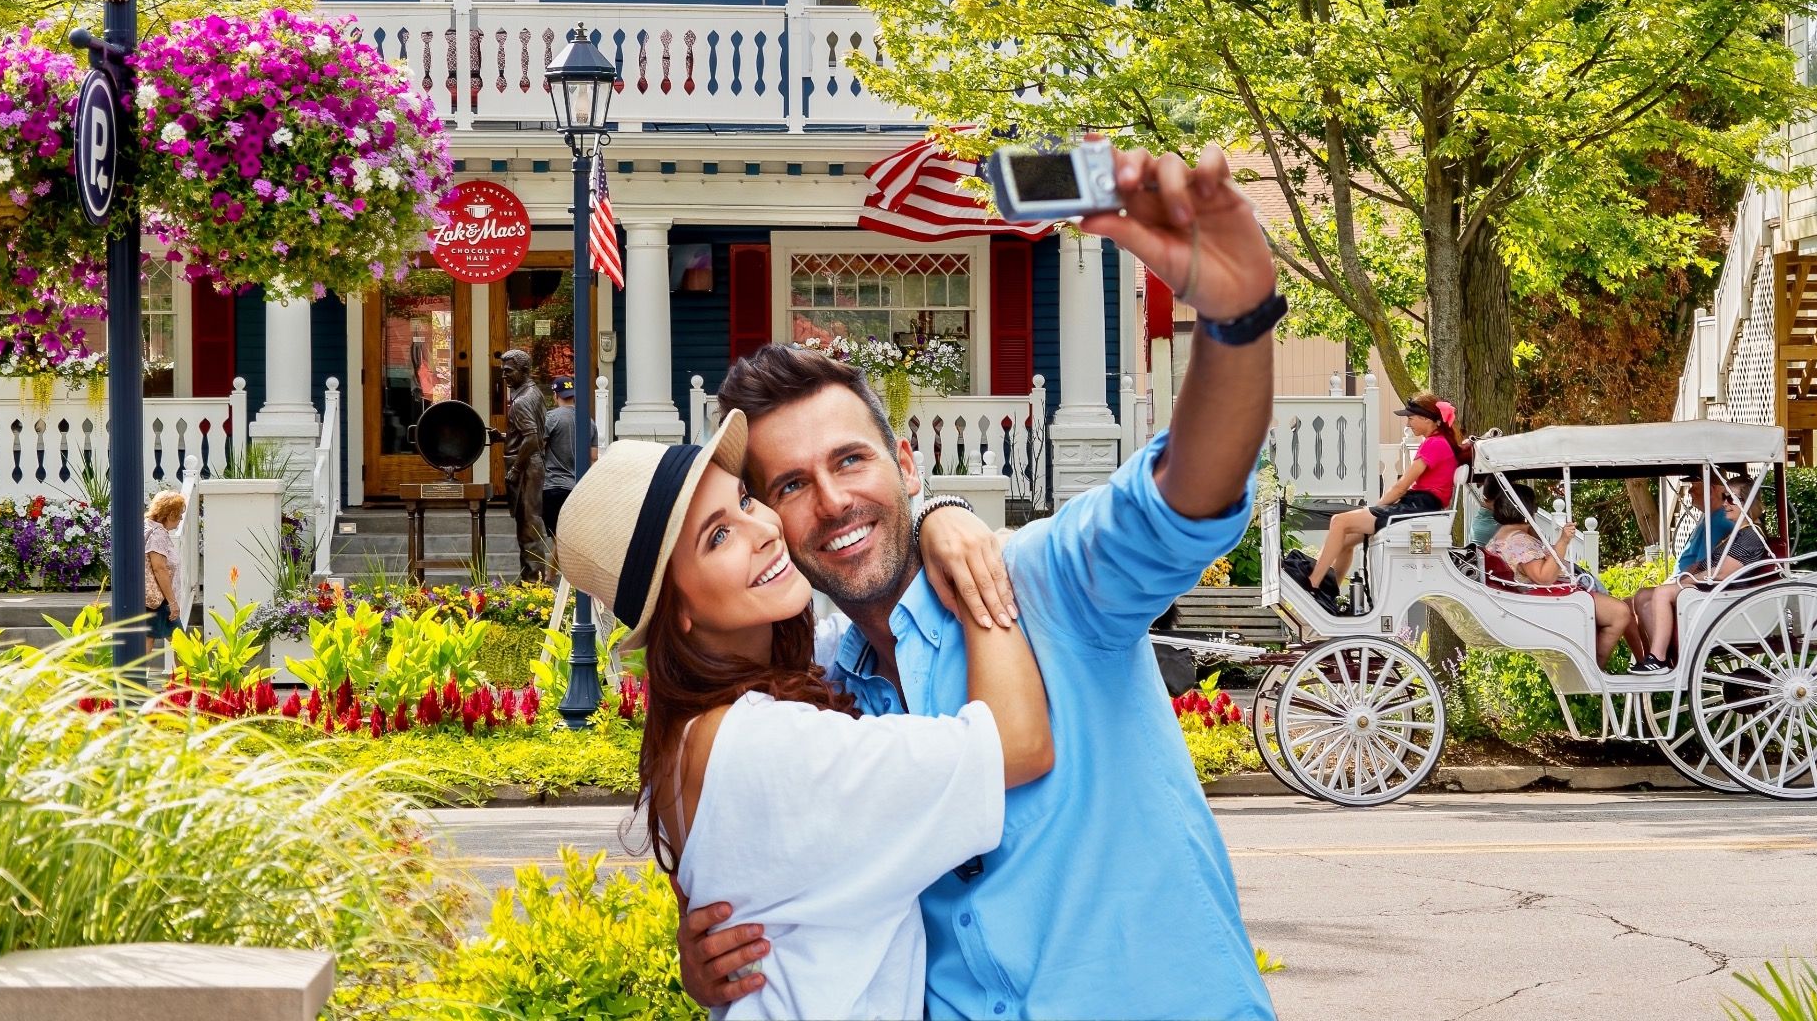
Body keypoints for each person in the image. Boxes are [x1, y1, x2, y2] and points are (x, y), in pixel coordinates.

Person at [687, 143, 1281, 1019]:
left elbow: (1185, 494)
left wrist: (1238, 324)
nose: (833, 501)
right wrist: (715, 954)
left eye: (851, 460)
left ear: (908, 463)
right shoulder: (812, 695)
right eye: (790, 484)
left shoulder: (1044, 583)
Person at [553, 411, 1045, 1018]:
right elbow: (1017, 744)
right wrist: (975, 560)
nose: (761, 530)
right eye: (717, 537)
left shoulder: (693, 731)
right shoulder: (768, 748)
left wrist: (935, 511)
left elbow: (862, 628)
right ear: (678, 609)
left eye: (744, 501)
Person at [1293, 392, 1465, 613]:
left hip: (1417, 507)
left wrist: (1378, 507)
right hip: (1419, 506)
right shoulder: (1438, 442)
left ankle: (1313, 584)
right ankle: (1329, 591)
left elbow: (1401, 486)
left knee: (1339, 521)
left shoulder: (1434, 444)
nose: (1408, 421)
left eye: (1412, 417)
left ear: (1428, 419)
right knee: (1344, 539)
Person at [1482, 475, 1636, 669]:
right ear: (1526, 510)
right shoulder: (1519, 541)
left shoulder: (1503, 537)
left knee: (1628, 606)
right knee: (1620, 612)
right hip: (1546, 600)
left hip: (1537, 599)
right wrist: (1563, 540)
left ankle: (1631, 662)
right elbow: (1544, 577)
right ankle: (1595, 670)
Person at [1630, 472, 1775, 673]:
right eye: (1724, 497)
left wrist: (1689, 579)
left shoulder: (1751, 535)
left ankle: (1659, 659)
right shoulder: (1737, 532)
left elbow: (1722, 573)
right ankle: (1663, 657)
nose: (1725, 503)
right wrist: (1688, 574)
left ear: (1746, 502)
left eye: (1730, 498)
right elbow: (1708, 564)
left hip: (1727, 596)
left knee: (1663, 593)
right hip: (1715, 591)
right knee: (1645, 594)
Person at [500, 349, 548, 581]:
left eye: (508, 371)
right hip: (533, 464)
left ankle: (533, 582)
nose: (504, 376)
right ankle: (531, 578)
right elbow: (530, 434)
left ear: (524, 371)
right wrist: (505, 436)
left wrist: (515, 469)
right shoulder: (534, 393)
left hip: (526, 468)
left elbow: (531, 437)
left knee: (529, 526)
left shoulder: (521, 401)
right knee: (531, 523)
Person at [143, 490, 186, 654]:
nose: (181, 518)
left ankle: (135, 678)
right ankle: (184, 679)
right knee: (183, 646)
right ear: (170, 514)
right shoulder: (158, 534)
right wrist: (172, 602)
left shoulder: (147, 527)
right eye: (180, 514)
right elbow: (159, 568)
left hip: (150, 598)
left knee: (148, 641)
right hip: (160, 599)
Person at [541, 375, 582, 540]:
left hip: (554, 485)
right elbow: (593, 457)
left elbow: (537, 445)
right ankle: (555, 567)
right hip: (577, 488)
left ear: (555, 395)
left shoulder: (551, 418)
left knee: (559, 539)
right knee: (568, 539)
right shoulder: (588, 421)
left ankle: (556, 567)